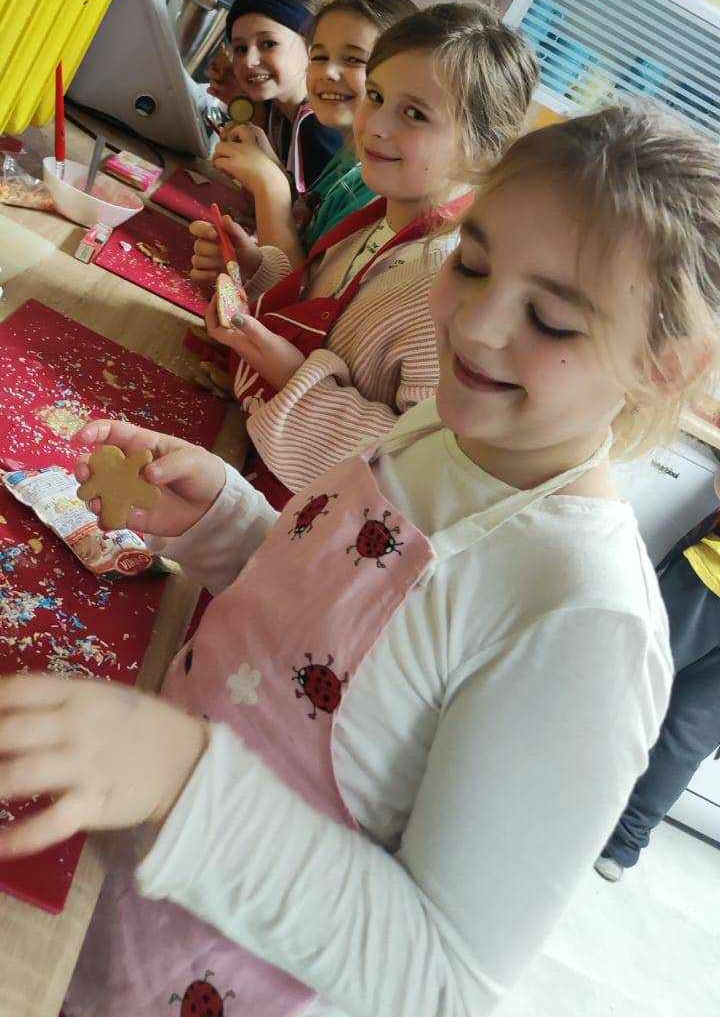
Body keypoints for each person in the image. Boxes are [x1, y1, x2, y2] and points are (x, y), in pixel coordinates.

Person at [6, 101, 720, 1016]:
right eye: (472, 264)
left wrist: (180, 782)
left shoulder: (583, 620)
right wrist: (221, 520)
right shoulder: (446, 428)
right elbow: (337, 656)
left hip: (203, 979)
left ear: (665, 365)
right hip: (106, 889)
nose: (476, 325)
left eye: (549, 320)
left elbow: (443, 981)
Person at [203, 2, 539, 503]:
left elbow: (413, 465)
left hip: (296, 512)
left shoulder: (446, 282)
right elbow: (326, 309)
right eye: (377, 96)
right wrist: (255, 269)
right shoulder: (382, 213)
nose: (375, 125)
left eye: (414, 114)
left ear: (483, 150)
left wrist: (291, 376)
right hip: (243, 448)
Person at [193, 0, 416, 270]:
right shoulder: (347, 159)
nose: (328, 72)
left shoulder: (369, 182)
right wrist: (250, 260)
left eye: (354, 59)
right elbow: (303, 242)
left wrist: (270, 185)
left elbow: (300, 285)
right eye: (320, 56)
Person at [595, 499, 720, 880]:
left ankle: (550, 789)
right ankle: (621, 846)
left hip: (708, 583)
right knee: (687, 737)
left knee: (625, 683)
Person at [212, 0, 342, 198]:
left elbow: (311, 215)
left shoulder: (320, 128)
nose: (249, 61)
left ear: (313, 49)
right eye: (241, 49)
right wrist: (244, 103)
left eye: (268, 44)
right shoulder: (277, 108)